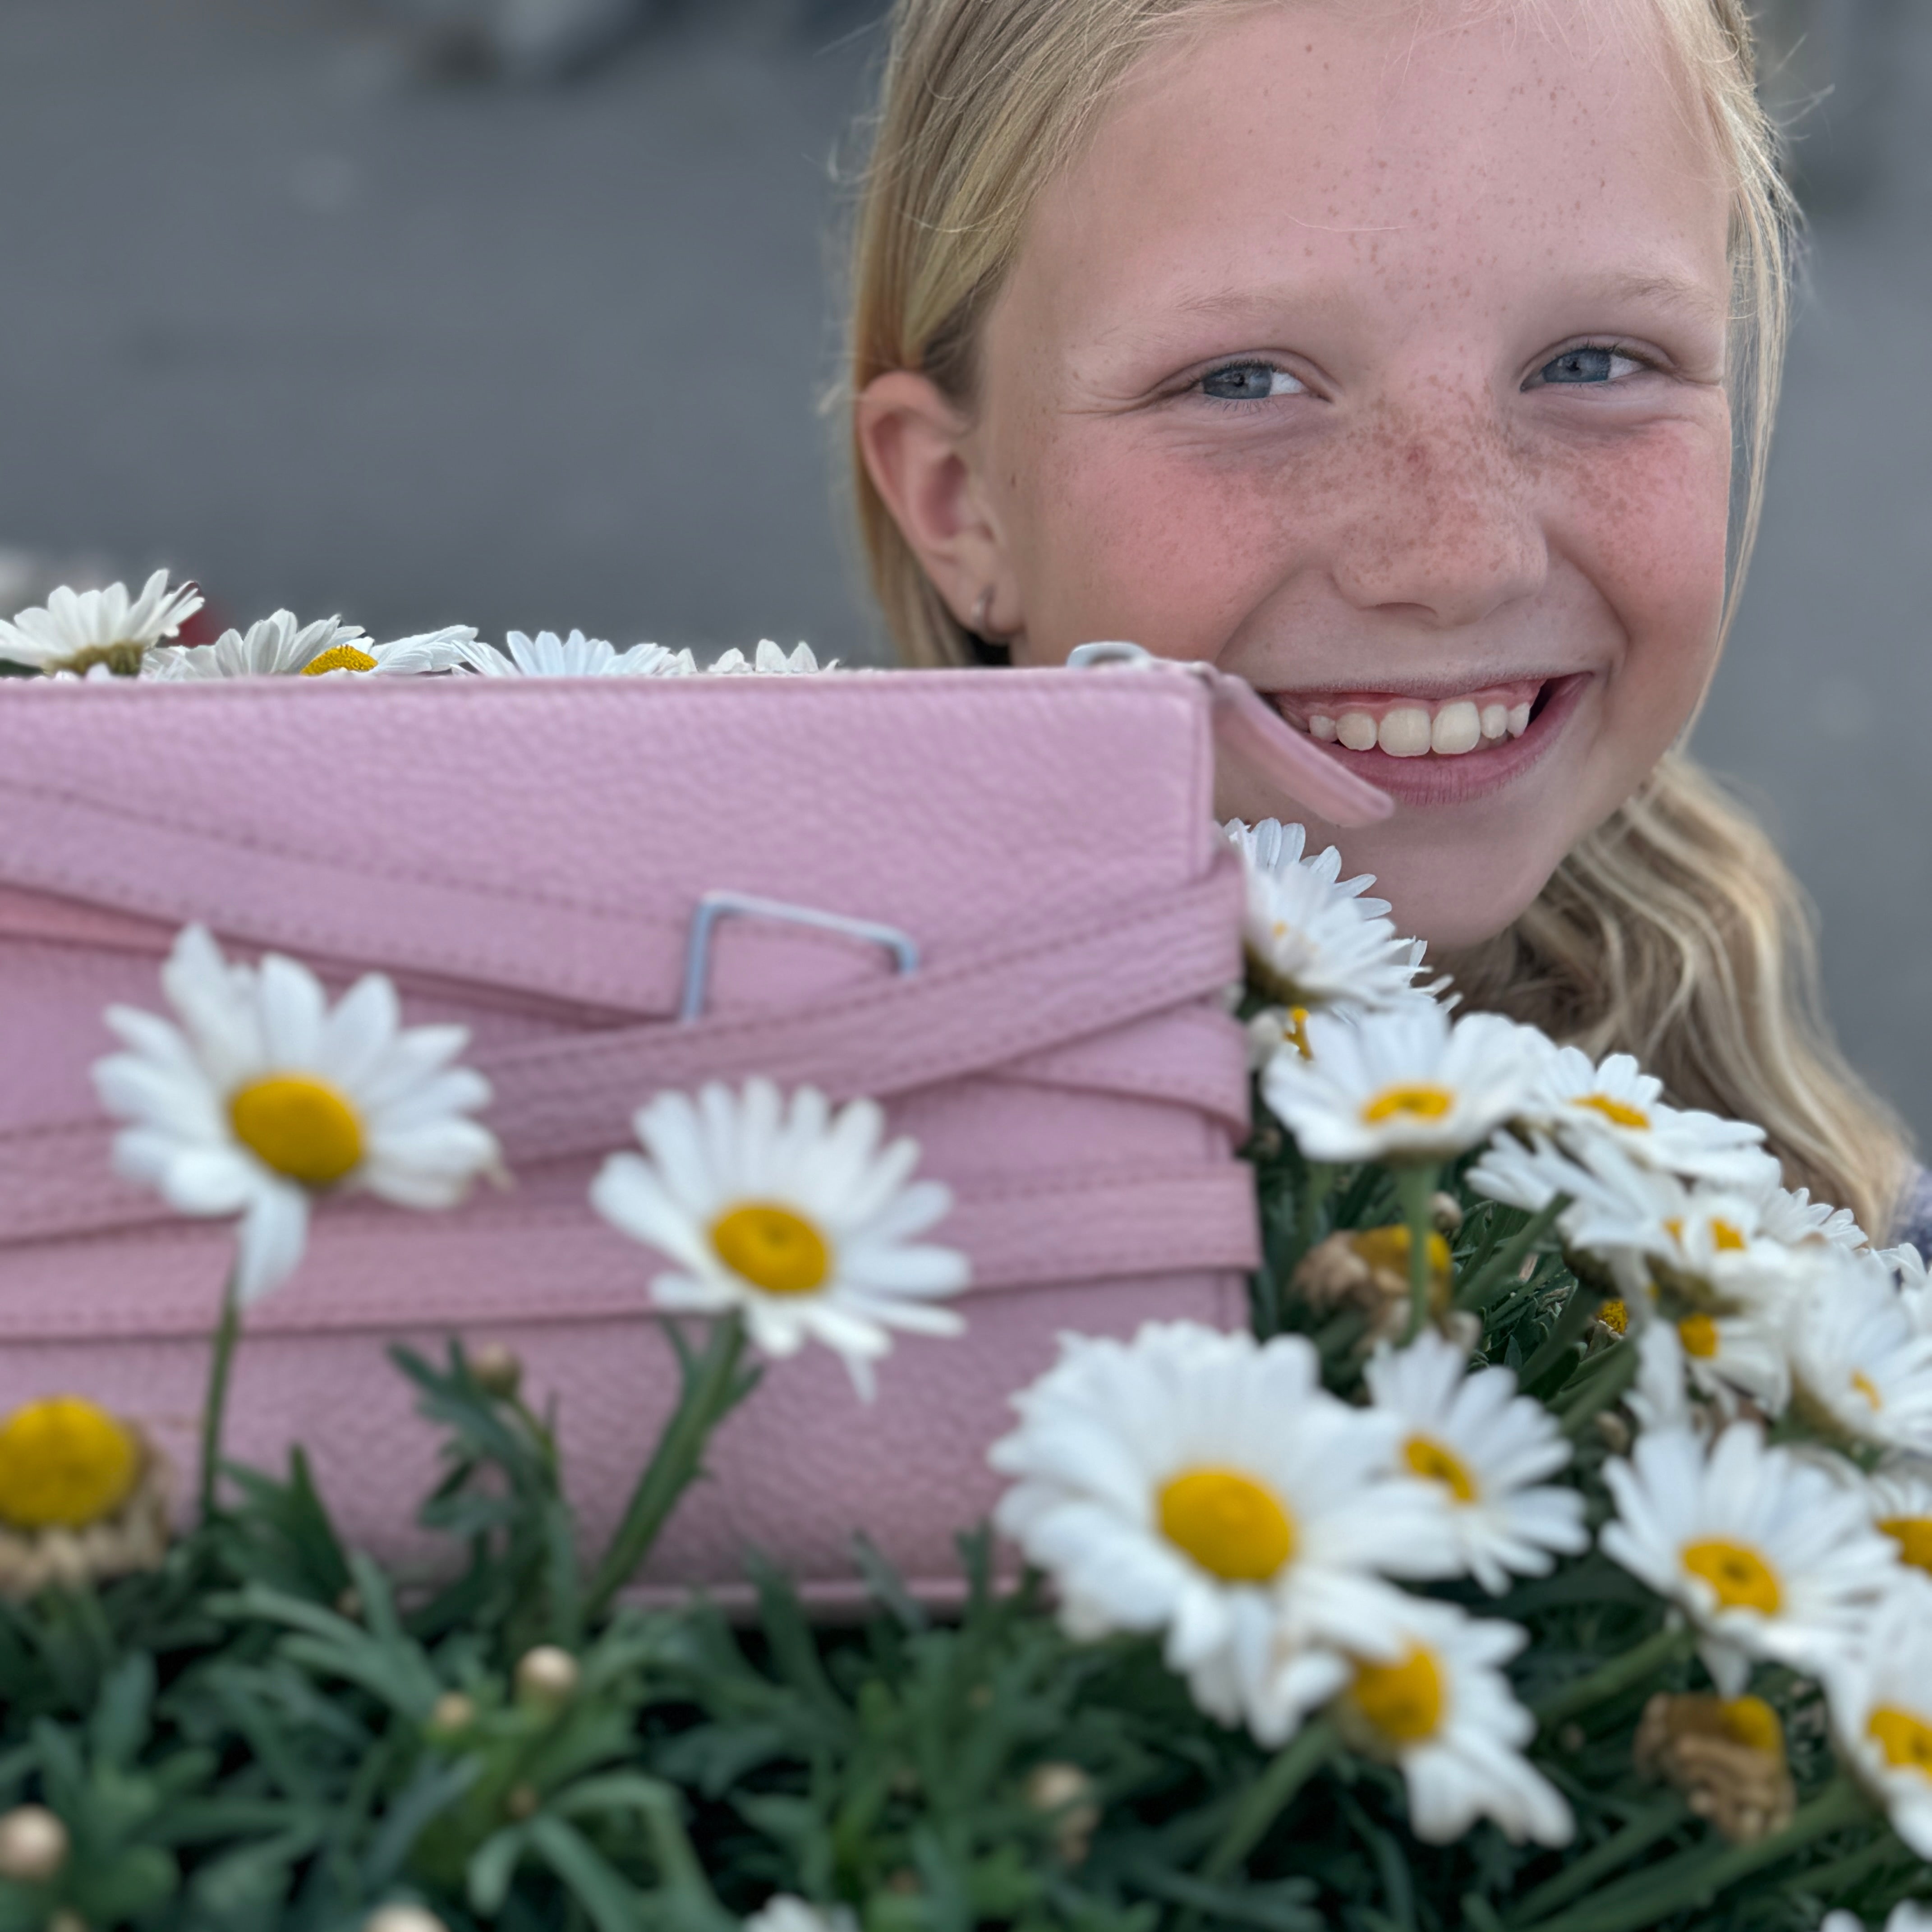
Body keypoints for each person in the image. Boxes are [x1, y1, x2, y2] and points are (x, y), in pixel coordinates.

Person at [844, 0, 1926, 1247]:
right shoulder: (754, 1227)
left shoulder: (1852, 1292)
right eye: (1242, 381)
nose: (1457, 560)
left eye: (1590, 363)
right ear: (960, 503)